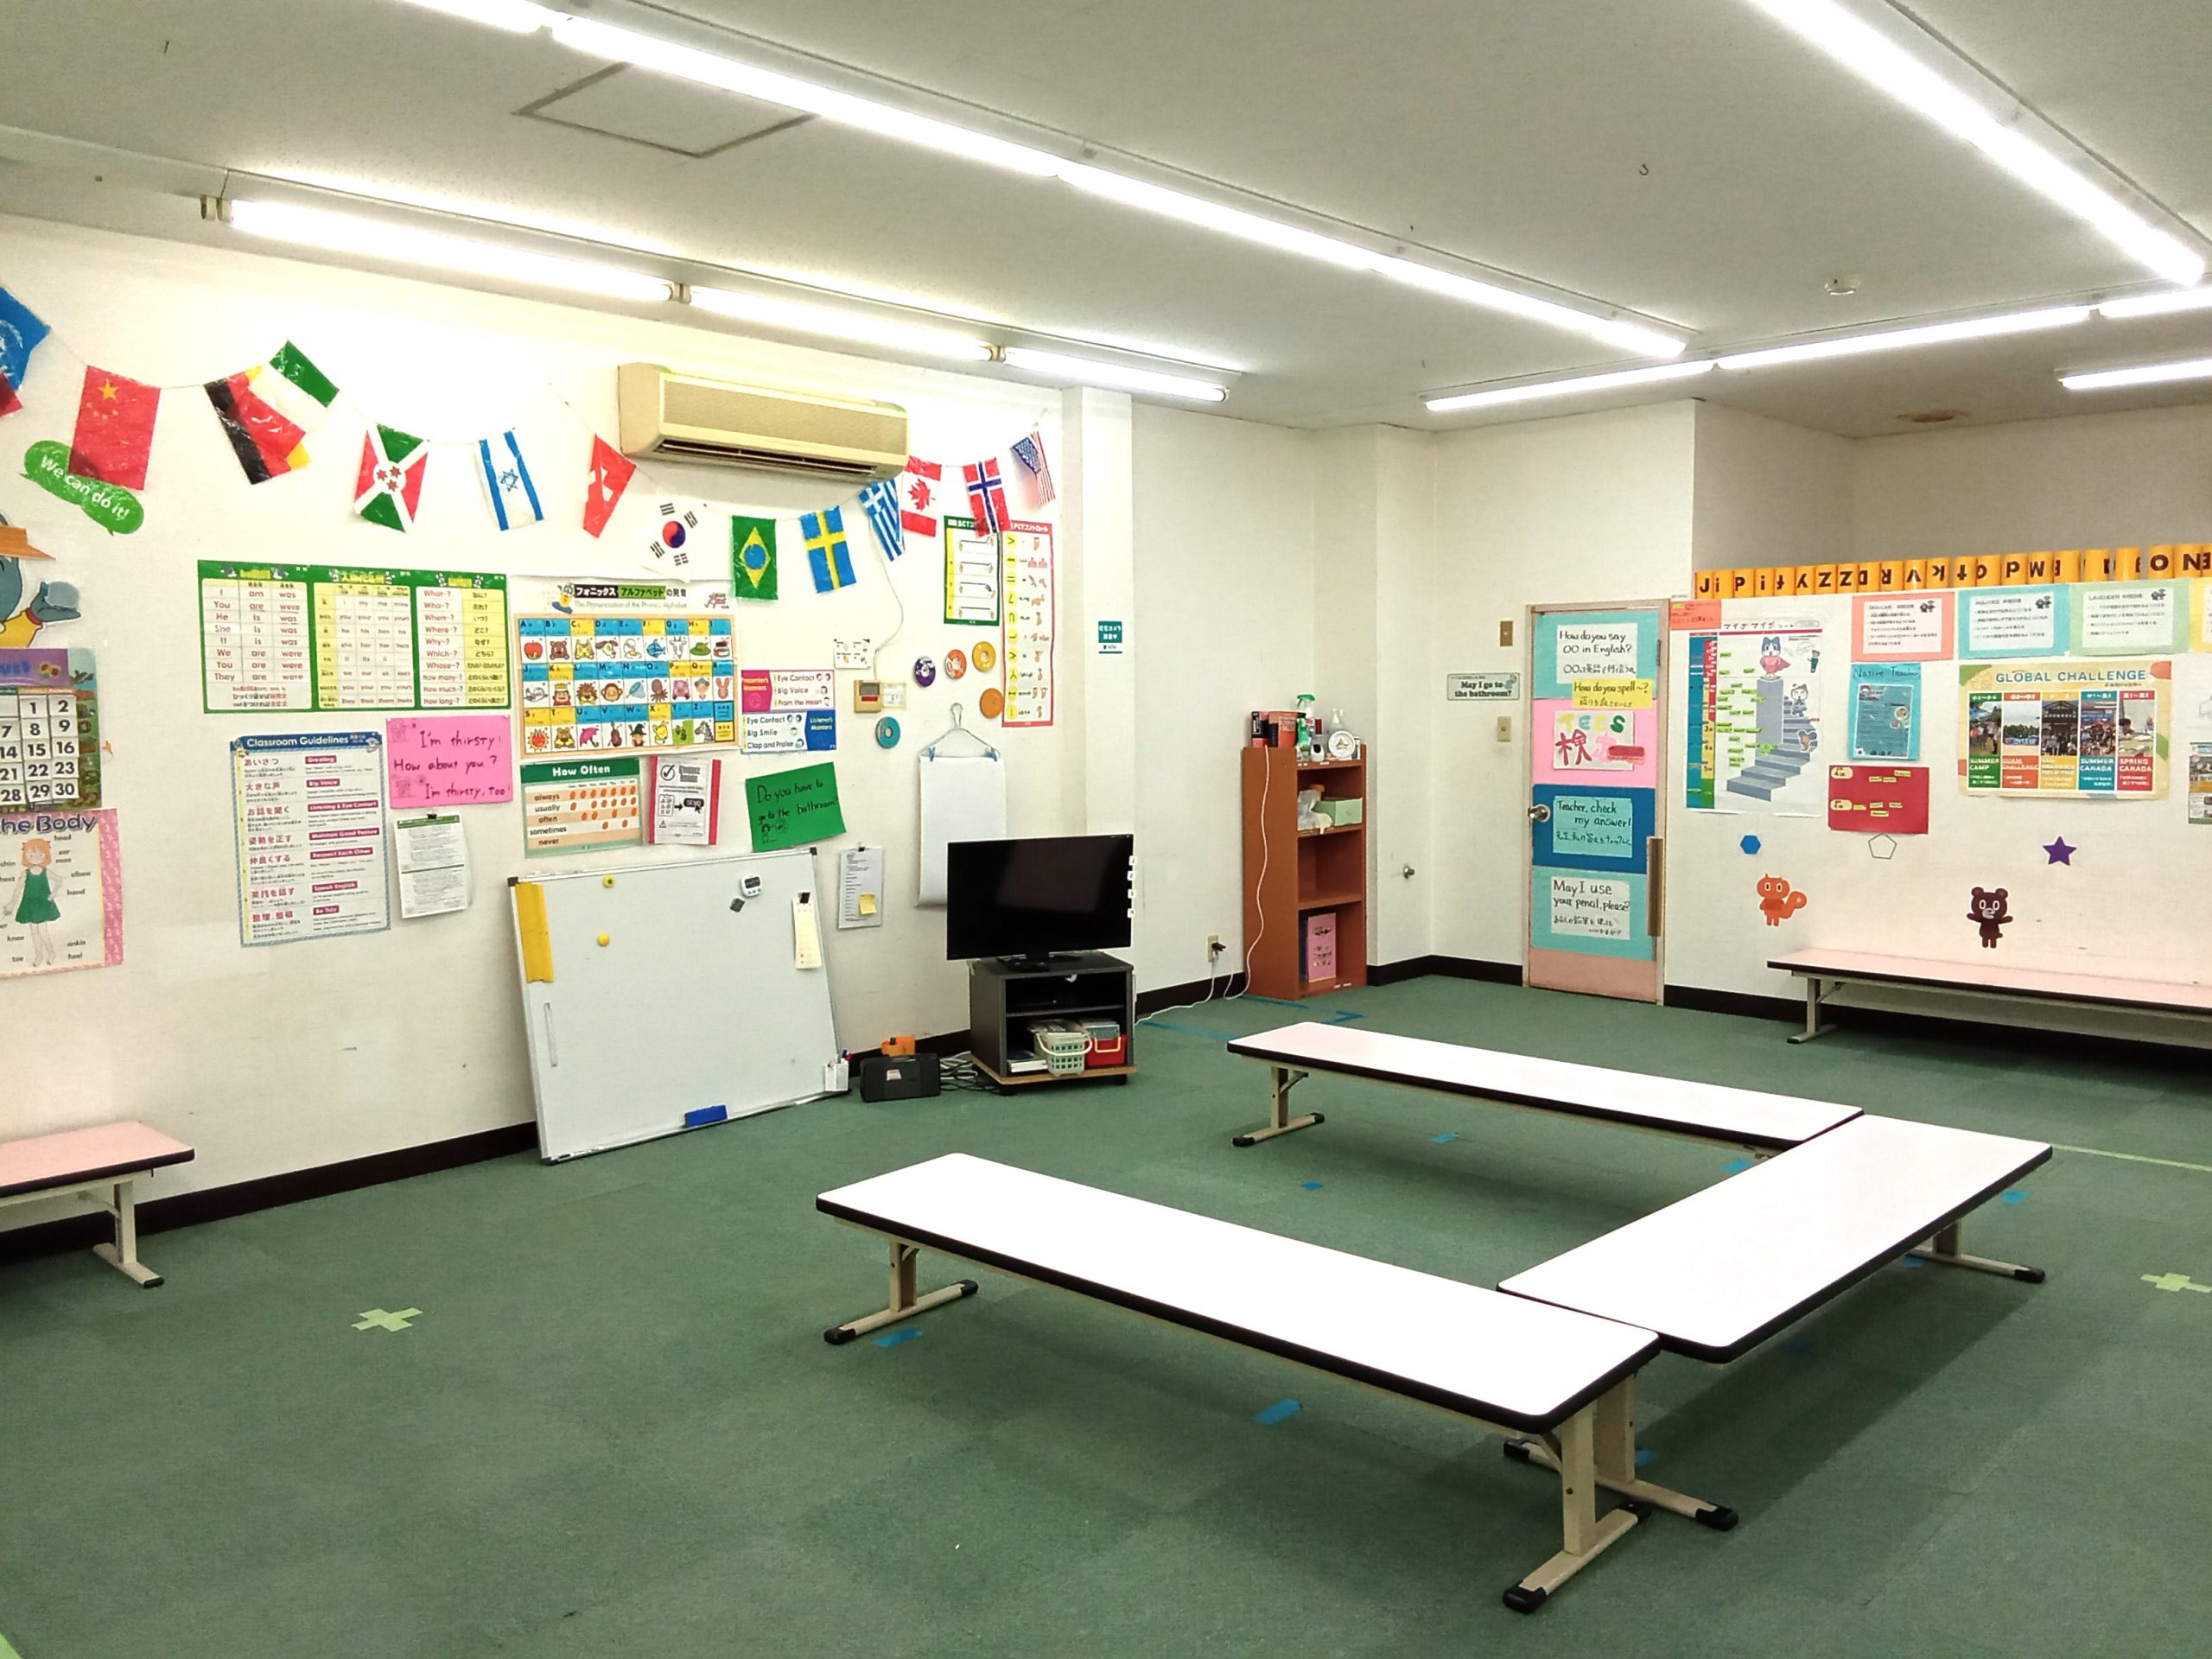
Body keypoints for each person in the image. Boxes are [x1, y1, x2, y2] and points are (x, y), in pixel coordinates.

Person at [6, 836, 62, 969]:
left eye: (39, 854)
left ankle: (51, 953)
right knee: (34, 932)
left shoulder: (46, 872)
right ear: (26, 856)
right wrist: (11, 904)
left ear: (45, 855)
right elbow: (18, 889)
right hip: (30, 905)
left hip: (43, 904)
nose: (35, 857)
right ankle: (39, 955)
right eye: (31, 855)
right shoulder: (25, 874)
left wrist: (54, 892)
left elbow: (59, 880)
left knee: (43, 931)